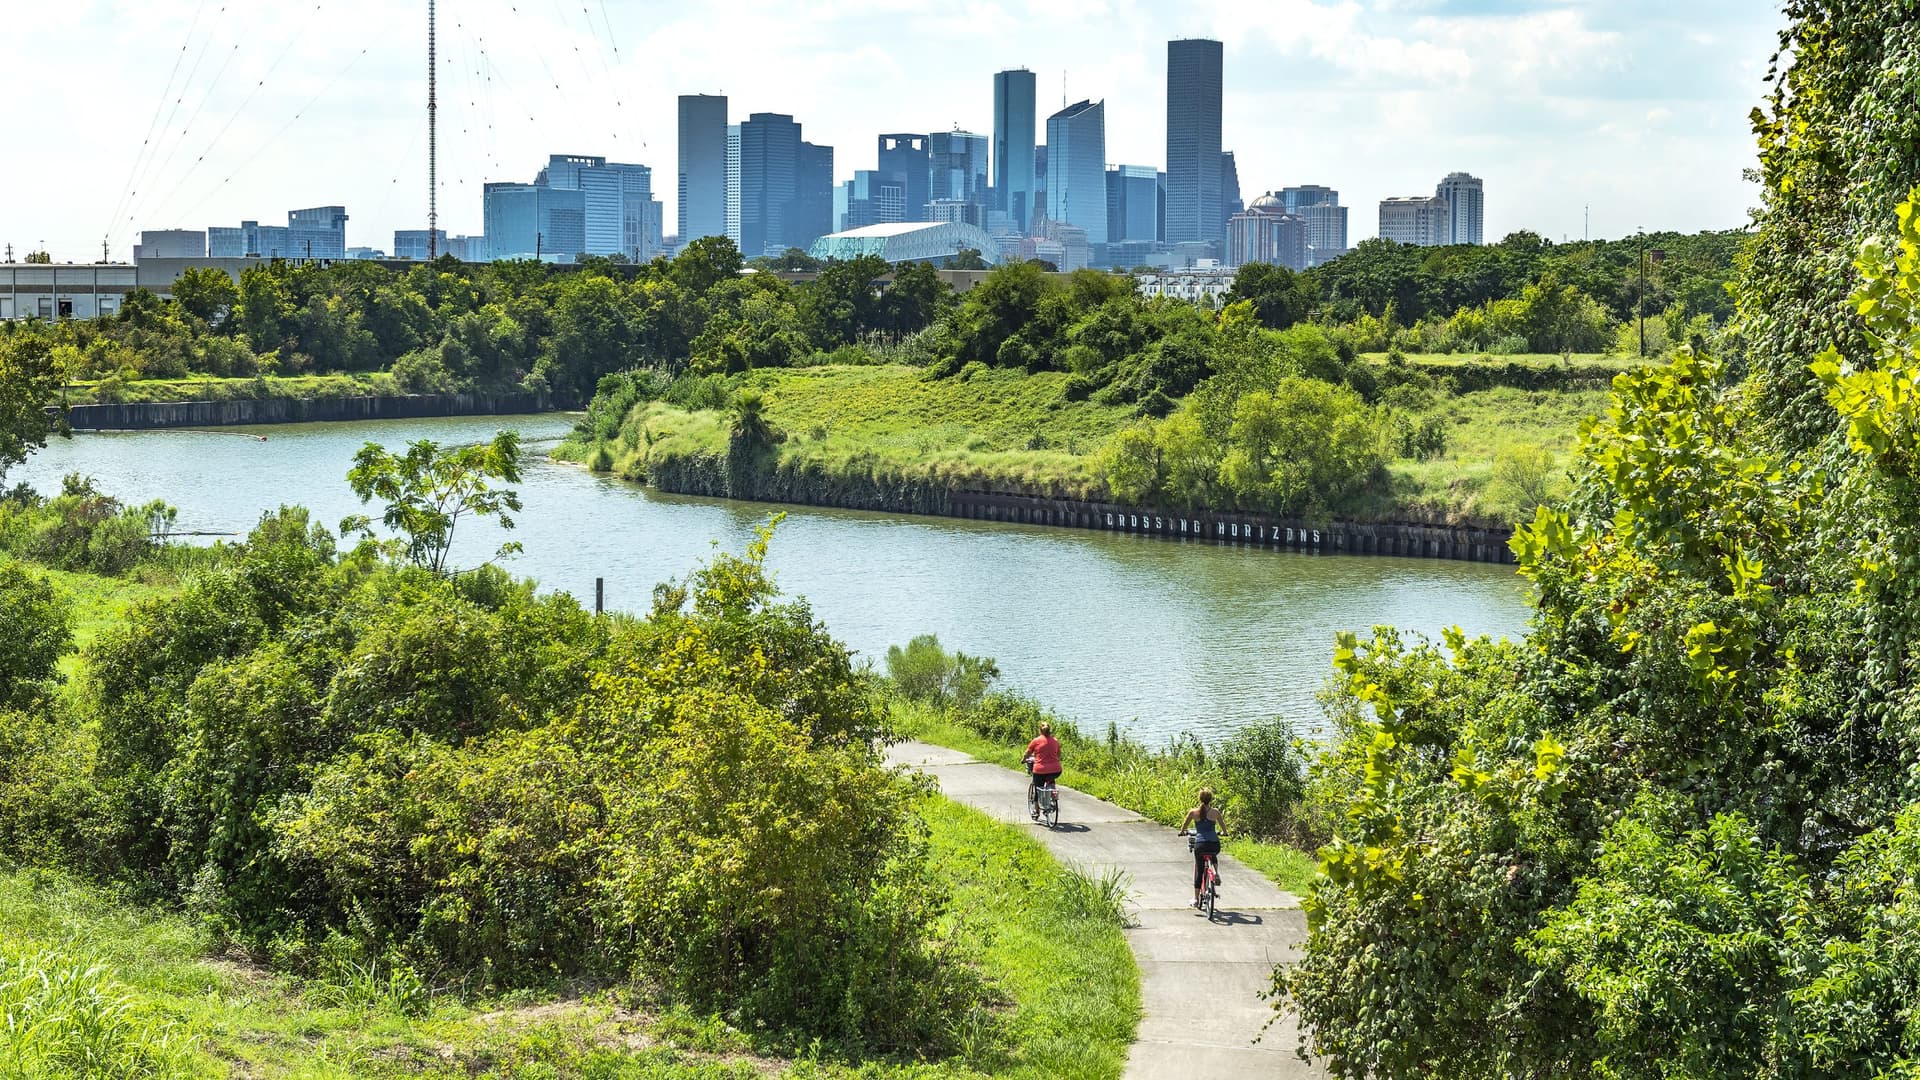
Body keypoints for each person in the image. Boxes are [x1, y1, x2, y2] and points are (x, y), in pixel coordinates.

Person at [1179, 789, 1225, 908]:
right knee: (1213, 854)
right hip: (1214, 843)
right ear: (1211, 799)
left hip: (1200, 844)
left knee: (1199, 870)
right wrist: (1224, 832)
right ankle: (1215, 872)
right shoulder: (1215, 812)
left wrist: (1182, 832)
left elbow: (1184, 825)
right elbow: (1223, 827)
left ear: (1200, 799)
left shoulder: (1194, 812)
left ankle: (1195, 898)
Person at [1022, 720, 1062, 820]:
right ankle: (1052, 796)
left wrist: (1023, 760)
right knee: (1050, 780)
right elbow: (1058, 754)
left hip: (1040, 770)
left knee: (1037, 788)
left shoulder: (1036, 741)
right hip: (1056, 770)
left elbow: (1027, 753)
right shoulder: (1055, 741)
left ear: (1040, 730)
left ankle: (1036, 811)